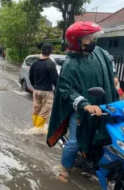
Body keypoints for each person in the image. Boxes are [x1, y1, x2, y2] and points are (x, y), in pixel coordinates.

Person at [46, 21, 119, 182]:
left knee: (104, 136)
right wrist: (85, 105)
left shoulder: (99, 53)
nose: (92, 41)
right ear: (76, 42)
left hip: (104, 105)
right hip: (82, 109)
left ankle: (94, 164)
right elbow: (67, 90)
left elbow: (110, 65)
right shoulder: (70, 64)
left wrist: (113, 78)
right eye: (88, 39)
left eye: (92, 38)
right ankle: (64, 167)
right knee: (75, 141)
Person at [29, 43, 58, 134]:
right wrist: (57, 89)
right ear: (50, 51)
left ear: (41, 51)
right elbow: (55, 78)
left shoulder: (35, 63)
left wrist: (35, 86)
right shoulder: (51, 63)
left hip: (36, 90)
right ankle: (38, 130)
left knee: (36, 109)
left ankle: (36, 127)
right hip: (46, 91)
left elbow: (31, 76)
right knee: (45, 111)